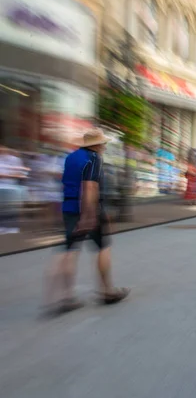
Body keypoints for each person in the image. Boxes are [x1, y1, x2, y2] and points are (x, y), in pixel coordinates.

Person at [45, 129, 129, 315]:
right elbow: (90, 187)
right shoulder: (94, 159)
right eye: (103, 143)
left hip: (68, 207)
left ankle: (66, 297)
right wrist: (89, 215)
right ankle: (107, 292)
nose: (105, 146)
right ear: (96, 145)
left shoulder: (70, 157)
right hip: (88, 210)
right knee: (103, 247)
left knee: (70, 249)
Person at [0, 146, 28, 234]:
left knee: (11, 209)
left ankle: (12, 228)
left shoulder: (15, 159)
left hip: (11, 188)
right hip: (4, 188)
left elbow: (22, 174)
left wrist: (6, 176)